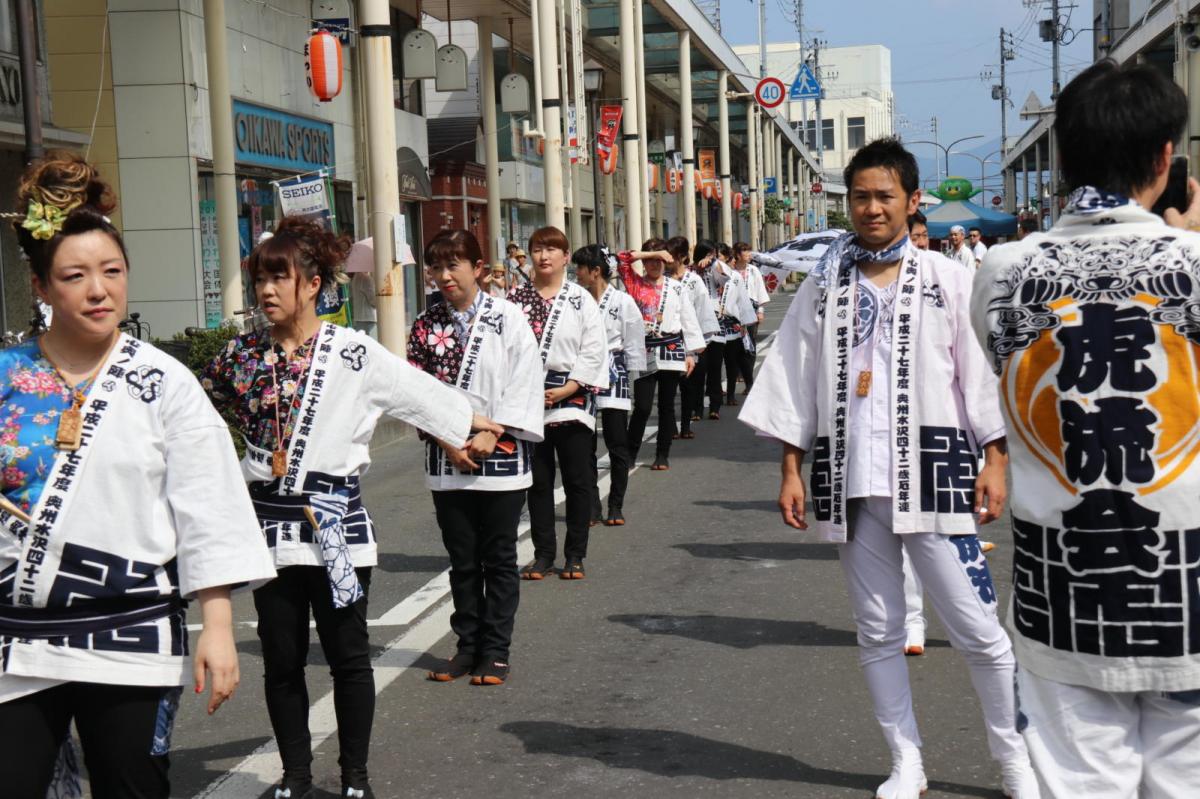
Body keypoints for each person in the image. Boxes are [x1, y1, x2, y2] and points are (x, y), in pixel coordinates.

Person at [742, 136, 1039, 799]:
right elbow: (794, 375)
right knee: (877, 629)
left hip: (934, 471)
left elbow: (980, 377)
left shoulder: (948, 279)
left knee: (980, 631)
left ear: (911, 199)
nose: (871, 208)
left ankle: (1012, 755)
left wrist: (995, 458)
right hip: (849, 475)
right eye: (860, 196)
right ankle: (906, 759)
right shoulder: (825, 282)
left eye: (884, 195)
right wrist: (791, 466)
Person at [0, 152, 277, 798]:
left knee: (132, 786)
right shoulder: (7, 376)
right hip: (17, 635)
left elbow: (208, 504)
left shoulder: (163, 382)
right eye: (75, 275)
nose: (99, 289)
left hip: (129, 631)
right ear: (42, 287)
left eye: (112, 271)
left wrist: (216, 625)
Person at [202, 216, 500, 799]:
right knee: (282, 657)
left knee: (348, 655)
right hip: (269, 527)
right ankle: (294, 776)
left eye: (278, 277)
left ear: (312, 284)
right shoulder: (238, 356)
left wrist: (468, 421)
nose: (265, 291)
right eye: (259, 278)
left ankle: (356, 777)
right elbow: (192, 414)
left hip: (335, 524)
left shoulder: (352, 352)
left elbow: (415, 390)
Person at [972, 59, 1200, 798]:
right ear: (1166, 157)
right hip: (1185, 579)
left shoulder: (1003, 271)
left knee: (1077, 784)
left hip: (1063, 584)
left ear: (1062, 157)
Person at [407, 230, 543, 687]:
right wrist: (448, 439)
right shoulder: (427, 324)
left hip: (499, 455)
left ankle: (496, 651)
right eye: (436, 267)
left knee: (499, 557)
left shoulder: (509, 318)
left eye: (453, 265)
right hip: (448, 457)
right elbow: (417, 391)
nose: (444, 276)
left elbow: (525, 380)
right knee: (462, 559)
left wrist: (494, 432)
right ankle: (467, 647)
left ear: (479, 268)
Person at [510, 226, 608, 581]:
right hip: (528, 403)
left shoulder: (581, 299)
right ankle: (542, 555)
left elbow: (594, 348)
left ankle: (575, 554)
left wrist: (570, 387)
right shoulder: (515, 300)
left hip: (572, 398)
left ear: (566, 257)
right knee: (537, 483)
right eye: (537, 249)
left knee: (577, 480)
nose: (544, 256)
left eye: (552, 249)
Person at [573, 244, 645, 526]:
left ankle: (616, 504)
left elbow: (635, 341)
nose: (576, 274)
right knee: (584, 446)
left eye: (580, 268)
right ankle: (592, 505)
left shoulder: (623, 301)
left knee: (617, 443)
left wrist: (635, 379)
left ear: (595, 271)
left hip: (614, 371)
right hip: (583, 374)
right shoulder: (576, 300)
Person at [618, 240, 705, 471]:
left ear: (666, 262)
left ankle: (662, 454)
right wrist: (654, 251)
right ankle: (631, 453)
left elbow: (688, 320)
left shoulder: (676, 287)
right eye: (649, 260)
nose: (654, 264)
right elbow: (622, 259)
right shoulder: (635, 284)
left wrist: (690, 354)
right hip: (644, 349)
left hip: (672, 347)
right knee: (643, 406)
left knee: (666, 406)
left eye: (658, 260)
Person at [693, 240, 757, 419]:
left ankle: (715, 406)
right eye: (709, 255)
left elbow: (726, 280)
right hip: (696, 324)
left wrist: (713, 264)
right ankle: (696, 408)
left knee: (717, 366)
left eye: (714, 255)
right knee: (699, 369)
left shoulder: (719, 269)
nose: (712, 258)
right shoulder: (691, 272)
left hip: (719, 322)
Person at [665, 236, 719, 438]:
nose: (668, 261)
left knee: (689, 387)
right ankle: (670, 426)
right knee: (668, 389)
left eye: (672, 256)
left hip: (688, 341)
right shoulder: (661, 279)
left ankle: (686, 425)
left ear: (681, 257)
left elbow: (703, 310)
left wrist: (699, 342)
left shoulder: (694, 280)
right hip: (667, 340)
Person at [728, 242, 763, 402]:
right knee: (735, 346)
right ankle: (740, 375)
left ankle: (749, 382)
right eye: (745, 251)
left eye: (749, 251)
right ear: (737, 254)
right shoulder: (730, 270)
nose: (749, 254)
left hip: (751, 311)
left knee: (749, 345)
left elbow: (760, 291)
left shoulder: (753, 271)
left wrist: (760, 311)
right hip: (734, 313)